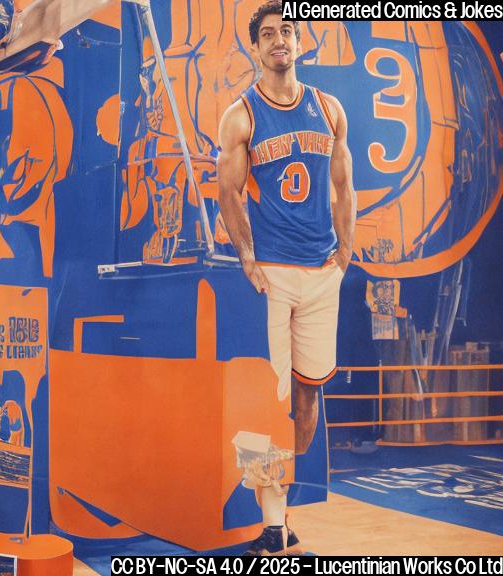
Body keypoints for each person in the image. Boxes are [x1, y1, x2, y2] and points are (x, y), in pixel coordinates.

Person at [217, 0, 356, 556]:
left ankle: (283, 504)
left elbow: (345, 187)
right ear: (254, 49)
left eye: (288, 31)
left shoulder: (328, 108)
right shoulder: (241, 115)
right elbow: (228, 193)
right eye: (268, 34)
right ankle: (273, 521)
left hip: (322, 272)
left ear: (301, 42)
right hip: (273, 274)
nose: (279, 40)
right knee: (264, 403)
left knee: (307, 397)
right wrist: (248, 257)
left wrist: (345, 251)